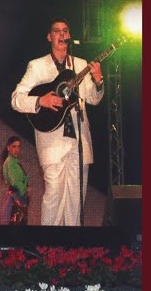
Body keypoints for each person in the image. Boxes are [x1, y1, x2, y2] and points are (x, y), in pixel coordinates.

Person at [10, 18, 104, 226]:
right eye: (56, 31)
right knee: (53, 192)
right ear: (49, 37)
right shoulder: (37, 66)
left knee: (76, 197)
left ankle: (72, 241)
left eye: (65, 31)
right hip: (51, 139)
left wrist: (98, 80)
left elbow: (93, 98)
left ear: (69, 36)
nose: (62, 34)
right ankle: (49, 241)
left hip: (79, 139)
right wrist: (40, 101)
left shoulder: (80, 65)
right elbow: (16, 99)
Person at [0, 135, 30, 225]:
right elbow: (15, 182)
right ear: (8, 148)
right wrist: (26, 190)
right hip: (15, 200)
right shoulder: (10, 162)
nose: (17, 149)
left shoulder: (14, 162)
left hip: (17, 199)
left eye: (19, 146)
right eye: (14, 146)